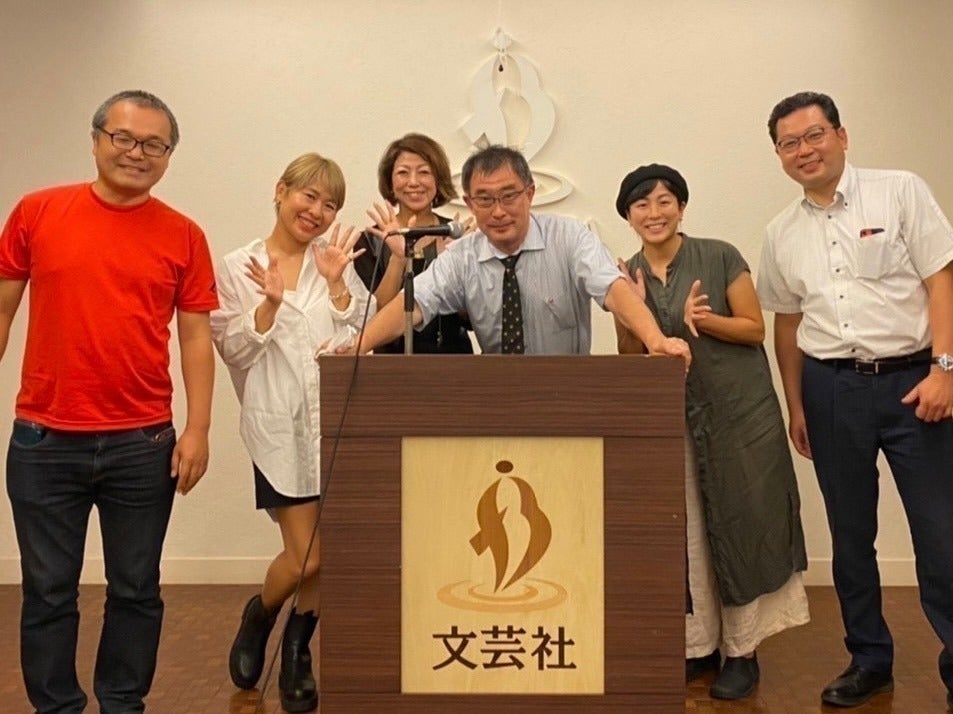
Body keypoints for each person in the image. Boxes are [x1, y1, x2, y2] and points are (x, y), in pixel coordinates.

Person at [0, 90, 217, 713]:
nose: (137, 153)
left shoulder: (184, 234)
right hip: (43, 438)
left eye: (154, 144)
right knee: (47, 590)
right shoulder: (37, 212)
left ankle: (122, 703)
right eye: (124, 138)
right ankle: (56, 707)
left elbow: (195, 337)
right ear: (96, 140)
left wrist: (197, 429)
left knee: (136, 588)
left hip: (143, 442)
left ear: (169, 155)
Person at [757, 91, 953, 709]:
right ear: (779, 155)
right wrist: (797, 405)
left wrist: (946, 368)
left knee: (942, 534)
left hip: (915, 383)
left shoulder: (900, 191)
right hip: (831, 389)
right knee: (850, 536)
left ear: (841, 136)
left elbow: (941, 280)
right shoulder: (781, 233)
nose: (804, 150)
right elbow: (787, 323)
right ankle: (869, 659)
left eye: (814, 135)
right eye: (789, 143)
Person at [613, 164, 809, 700]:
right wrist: (630, 315)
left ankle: (743, 652)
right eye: (641, 205)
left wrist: (704, 321)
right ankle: (698, 645)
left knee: (741, 523)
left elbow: (755, 328)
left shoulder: (720, 255)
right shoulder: (625, 275)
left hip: (737, 413)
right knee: (689, 532)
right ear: (628, 216)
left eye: (664, 201)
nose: (654, 213)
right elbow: (630, 356)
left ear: (681, 207)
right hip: (674, 420)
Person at [211, 152, 373, 713]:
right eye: (309, 196)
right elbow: (232, 348)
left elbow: (357, 335)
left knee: (328, 553)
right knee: (308, 557)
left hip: (338, 426)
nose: (317, 211)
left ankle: (298, 653)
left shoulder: (334, 261)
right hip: (278, 430)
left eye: (330, 204)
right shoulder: (239, 265)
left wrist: (337, 286)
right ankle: (260, 613)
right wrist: (269, 306)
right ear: (281, 190)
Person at [349, 144, 690, 363]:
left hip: (568, 391)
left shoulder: (569, 237)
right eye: (485, 199)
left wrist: (655, 340)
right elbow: (413, 303)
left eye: (509, 196)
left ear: (530, 194)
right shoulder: (463, 255)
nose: (498, 211)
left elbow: (613, 288)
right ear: (469, 203)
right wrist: (358, 347)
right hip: (497, 397)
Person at [353, 133, 473, 353]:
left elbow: (472, 317)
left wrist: (450, 262)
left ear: (438, 180)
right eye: (403, 173)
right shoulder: (370, 241)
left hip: (452, 362)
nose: (414, 182)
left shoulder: (457, 235)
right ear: (390, 182)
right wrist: (398, 259)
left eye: (424, 172)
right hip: (390, 364)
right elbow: (372, 317)